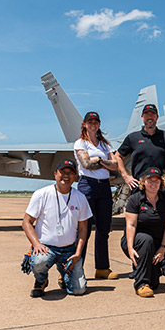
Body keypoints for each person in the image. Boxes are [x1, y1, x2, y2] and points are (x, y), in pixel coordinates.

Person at [116, 103, 165, 278]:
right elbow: (118, 156)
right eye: (146, 114)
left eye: (152, 114)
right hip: (140, 189)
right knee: (138, 226)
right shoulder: (133, 138)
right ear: (143, 117)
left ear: (157, 117)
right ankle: (137, 265)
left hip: (163, 189)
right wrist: (126, 176)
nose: (149, 117)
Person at [22, 159, 92, 297]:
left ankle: (64, 274)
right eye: (62, 172)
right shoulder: (41, 194)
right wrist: (36, 244)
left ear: (75, 176)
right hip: (47, 248)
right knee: (40, 261)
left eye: (70, 173)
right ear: (55, 174)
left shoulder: (80, 197)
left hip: (69, 249)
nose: (66, 175)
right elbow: (26, 222)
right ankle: (41, 280)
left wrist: (78, 253)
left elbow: (84, 228)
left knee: (79, 290)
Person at [73, 111, 119, 280]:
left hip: (104, 188)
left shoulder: (105, 145)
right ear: (84, 124)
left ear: (99, 124)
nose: (93, 125)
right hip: (87, 186)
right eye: (90, 122)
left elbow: (115, 165)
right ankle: (77, 268)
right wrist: (104, 162)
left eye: (96, 122)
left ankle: (102, 268)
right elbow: (85, 164)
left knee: (104, 229)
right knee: (83, 229)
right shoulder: (81, 143)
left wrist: (97, 161)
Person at [121, 167, 165, 297]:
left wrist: (163, 249)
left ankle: (149, 279)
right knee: (146, 239)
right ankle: (141, 284)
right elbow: (131, 225)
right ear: (143, 182)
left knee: (155, 283)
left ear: (161, 182)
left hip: (155, 244)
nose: (153, 184)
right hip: (135, 240)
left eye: (156, 181)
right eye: (149, 180)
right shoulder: (136, 199)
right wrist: (130, 248)